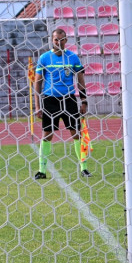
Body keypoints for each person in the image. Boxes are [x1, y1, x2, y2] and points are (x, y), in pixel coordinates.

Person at [33, 29, 91, 179]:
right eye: (55, 40)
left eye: (61, 39)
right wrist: (38, 106)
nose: (58, 42)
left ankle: (84, 168)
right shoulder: (45, 58)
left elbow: (80, 80)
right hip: (50, 100)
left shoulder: (73, 58)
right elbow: (37, 83)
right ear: (52, 40)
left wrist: (84, 101)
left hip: (69, 99)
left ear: (66, 40)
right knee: (47, 134)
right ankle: (42, 170)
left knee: (76, 133)